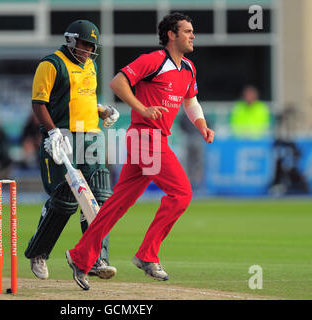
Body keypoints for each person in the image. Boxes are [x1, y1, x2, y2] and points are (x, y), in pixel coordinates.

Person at [65, 12, 215, 290]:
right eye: (187, 31)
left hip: (153, 140)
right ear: (171, 35)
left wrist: (202, 126)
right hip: (145, 138)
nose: (192, 35)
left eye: (192, 31)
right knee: (181, 193)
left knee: (117, 204)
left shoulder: (189, 69)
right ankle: (147, 255)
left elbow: (191, 101)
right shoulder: (154, 60)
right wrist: (143, 109)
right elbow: (117, 83)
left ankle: (79, 256)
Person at [24, 20, 120, 280]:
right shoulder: (51, 64)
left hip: (91, 137)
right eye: (84, 44)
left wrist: (102, 111)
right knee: (65, 199)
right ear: (70, 40)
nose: (88, 50)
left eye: (92, 46)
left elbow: (83, 98)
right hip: (62, 138)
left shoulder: (90, 64)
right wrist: (53, 132)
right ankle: (39, 252)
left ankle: (96, 258)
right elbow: (39, 104)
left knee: (100, 195)